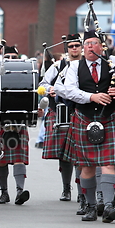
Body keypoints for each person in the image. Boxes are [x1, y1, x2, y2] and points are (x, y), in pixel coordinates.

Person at [61, 30, 115, 223]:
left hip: (109, 118)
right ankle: (91, 206)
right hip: (84, 118)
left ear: (101, 46)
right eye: (86, 43)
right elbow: (69, 90)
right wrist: (91, 97)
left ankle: (110, 205)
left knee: (108, 164)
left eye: (93, 43)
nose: (88, 47)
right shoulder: (74, 66)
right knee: (86, 166)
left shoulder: (113, 62)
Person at [40, 33, 82, 203]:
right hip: (60, 112)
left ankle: (83, 190)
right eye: (71, 46)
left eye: (77, 45)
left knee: (82, 153)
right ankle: (66, 188)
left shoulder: (87, 65)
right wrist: (50, 88)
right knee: (65, 155)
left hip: (81, 111)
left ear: (82, 47)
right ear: (67, 48)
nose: (74, 49)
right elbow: (42, 84)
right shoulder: (58, 66)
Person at [0, 45, 30, 206]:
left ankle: (20, 191)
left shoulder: (26, 74)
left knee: (19, 158)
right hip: (2, 121)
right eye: (7, 56)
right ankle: (4, 193)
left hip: (20, 121)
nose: (10, 59)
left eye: (13, 57)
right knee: (1, 159)